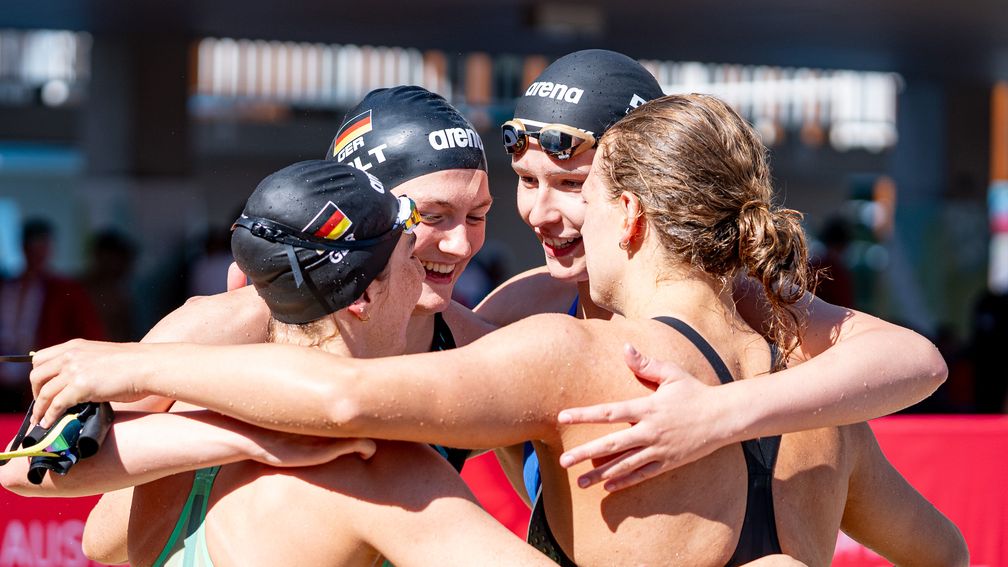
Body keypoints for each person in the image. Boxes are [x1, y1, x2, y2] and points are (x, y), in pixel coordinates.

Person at [28, 95, 967, 567]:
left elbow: (350, 402)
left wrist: (724, 417)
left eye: (477, 215)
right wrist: (231, 424)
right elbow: (90, 519)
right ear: (364, 211)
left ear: (632, 215)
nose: (468, 241)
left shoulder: (512, 341)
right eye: (436, 215)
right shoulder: (229, 321)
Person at [5, 160, 553, 567]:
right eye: (409, 254)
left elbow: (99, 538)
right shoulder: (380, 470)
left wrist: (238, 433)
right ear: (359, 298)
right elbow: (34, 475)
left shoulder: (197, 403)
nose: (431, 272)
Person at [0, 218, 105, 412]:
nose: (37, 254)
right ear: (23, 248)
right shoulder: (7, 286)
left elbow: (90, 333)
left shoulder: (65, 290)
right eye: (32, 247)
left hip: (40, 379)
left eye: (42, 247)